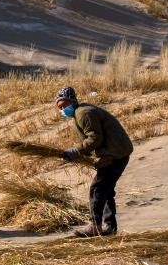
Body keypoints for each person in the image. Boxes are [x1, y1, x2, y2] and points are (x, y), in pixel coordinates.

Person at [56, 86, 133, 237]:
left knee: (97, 189)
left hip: (115, 154)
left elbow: (95, 138)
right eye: (60, 107)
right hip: (117, 152)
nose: (63, 108)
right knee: (106, 190)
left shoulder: (84, 113)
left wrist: (76, 151)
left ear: (73, 100)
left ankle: (95, 225)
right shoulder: (79, 113)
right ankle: (110, 227)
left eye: (65, 104)